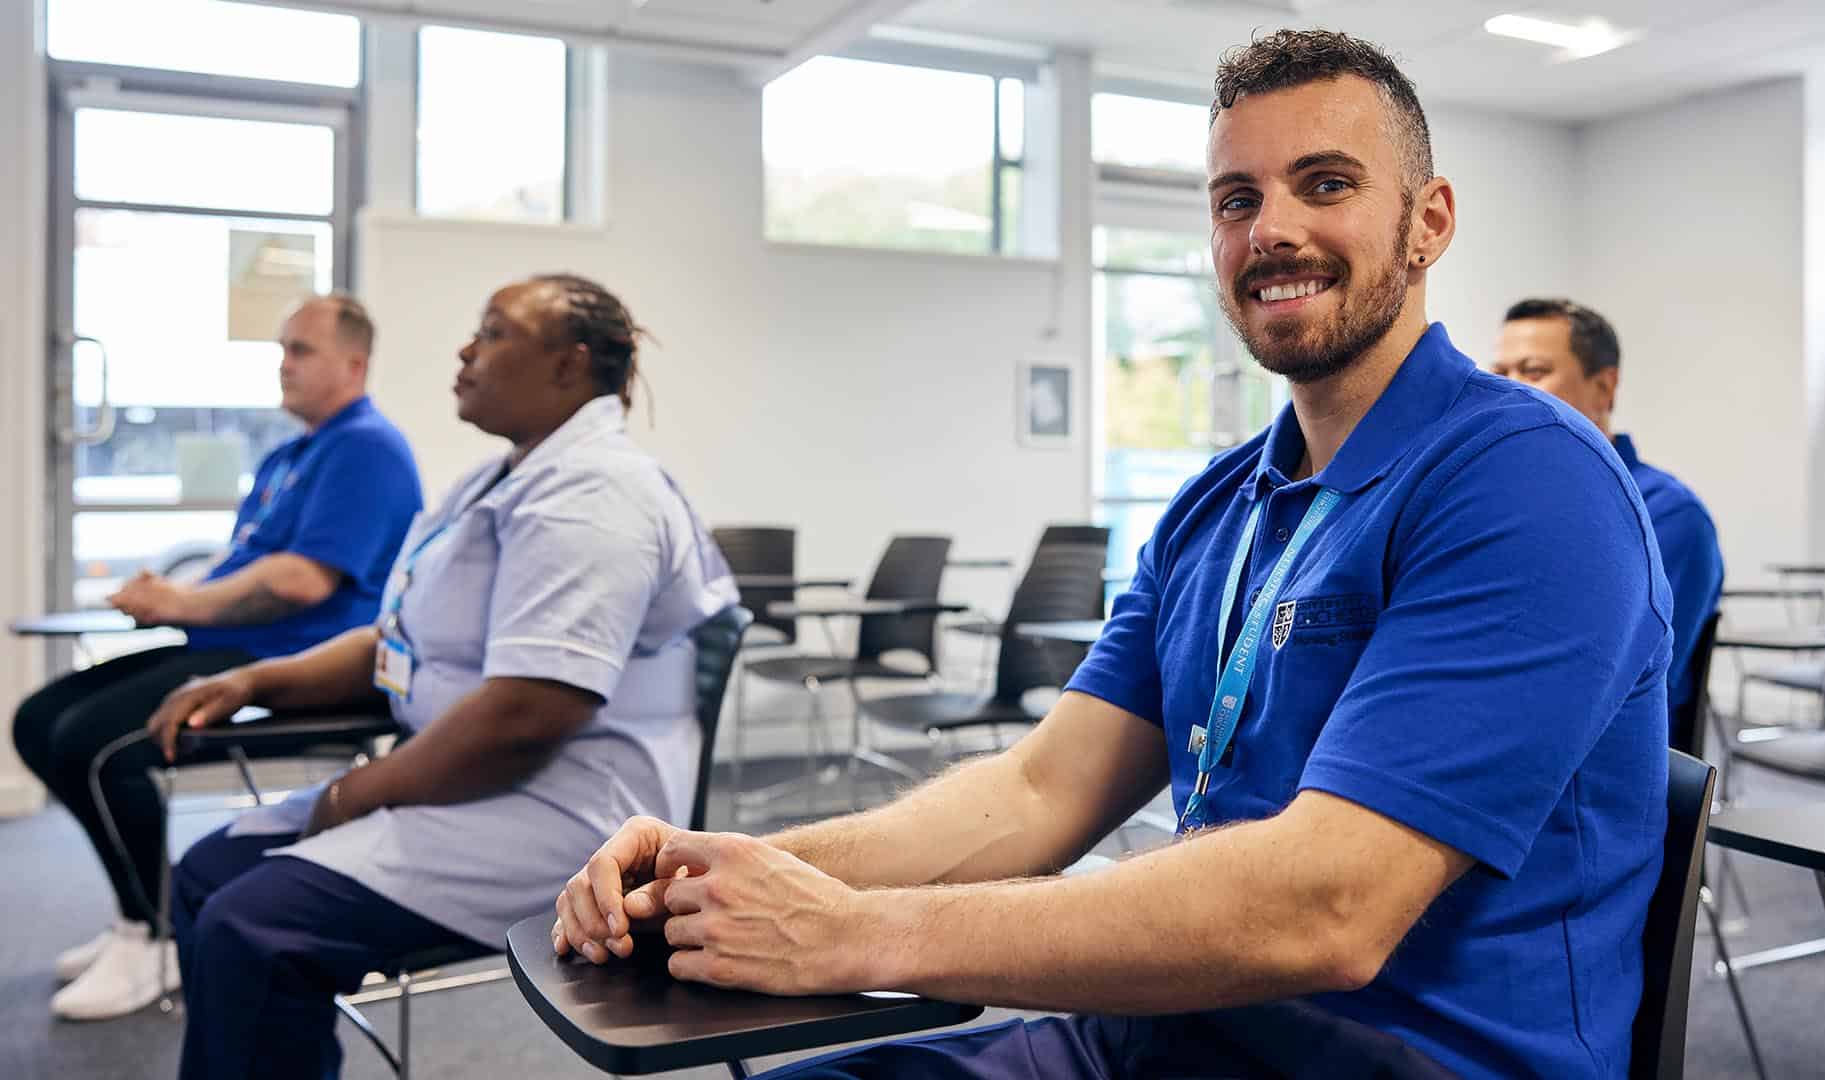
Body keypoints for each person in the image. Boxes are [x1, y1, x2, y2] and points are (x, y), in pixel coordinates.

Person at [553, 30, 1674, 1080]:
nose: (1271, 229)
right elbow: (1039, 790)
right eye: (1238, 200)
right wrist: (738, 872)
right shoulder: (1217, 506)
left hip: (1402, 1056)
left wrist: (853, 934)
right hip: (1175, 1025)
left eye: (1324, 185)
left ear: (1428, 222)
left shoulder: (1527, 480)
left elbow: (1328, 909)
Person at [151, 273, 737, 1080]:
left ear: (568, 366)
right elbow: (399, 641)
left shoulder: (595, 494)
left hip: (564, 816)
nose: (466, 350)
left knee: (255, 930)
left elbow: (525, 717)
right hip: (472, 782)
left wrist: (348, 795)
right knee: (204, 874)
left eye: (493, 333)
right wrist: (262, 681)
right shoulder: (503, 478)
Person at [12, 294, 422, 1021]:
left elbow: (300, 581)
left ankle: (160, 936)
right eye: (283, 349)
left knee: (96, 747)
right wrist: (170, 594)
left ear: (354, 364)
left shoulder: (367, 448)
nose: (283, 364)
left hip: (306, 662)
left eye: (302, 350)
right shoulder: (293, 453)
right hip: (239, 645)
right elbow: (244, 567)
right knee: (41, 718)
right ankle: (139, 917)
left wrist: (180, 603)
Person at [1494, 298, 1724, 712]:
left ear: (1604, 387)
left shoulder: (1667, 515)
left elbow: (1618, 679)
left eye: (1533, 372)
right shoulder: (1504, 503)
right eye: (1499, 374)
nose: (1509, 389)